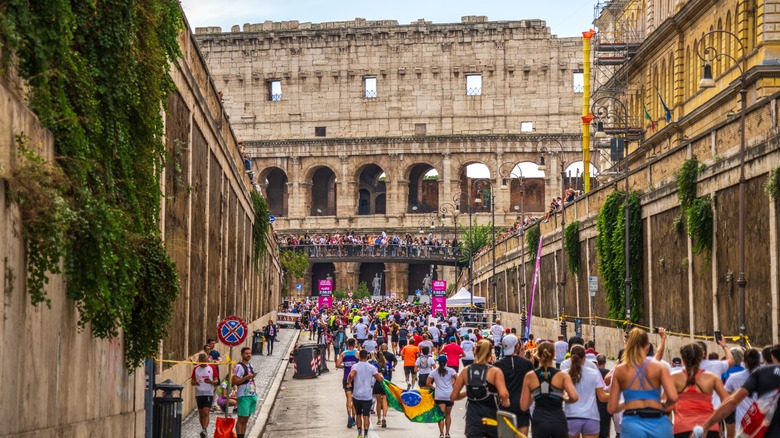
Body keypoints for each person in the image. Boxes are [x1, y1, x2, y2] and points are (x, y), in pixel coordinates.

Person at [695, 344, 780, 437]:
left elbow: (732, 401)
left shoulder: (762, 373)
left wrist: (706, 426)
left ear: (772, 356)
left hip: (764, 431)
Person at [607, 328, 678, 438]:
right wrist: (662, 404)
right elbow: (673, 397)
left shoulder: (620, 370)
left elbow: (612, 408)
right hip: (658, 422)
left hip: (632, 423)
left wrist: (629, 403)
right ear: (648, 346)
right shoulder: (660, 367)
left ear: (628, 346)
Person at [451, 339, 511, 438]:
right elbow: (504, 394)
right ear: (489, 353)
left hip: (473, 419)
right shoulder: (495, 371)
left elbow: (453, 396)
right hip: (490, 417)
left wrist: (468, 392)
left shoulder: (466, 371)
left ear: (475, 351)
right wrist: (505, 401)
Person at [520, 341, 579, 438]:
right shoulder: (562, 375)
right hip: (558, 419)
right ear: (554, 354)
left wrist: (535, 393)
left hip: (540, 420)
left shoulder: (530, 376)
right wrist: (565, 398)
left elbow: (523, 406)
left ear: (538, 355)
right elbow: (574, 397)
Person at [670, 343, 729, 438]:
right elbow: (728, 403)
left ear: (683, 360)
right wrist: (715, 417)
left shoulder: (673, 378)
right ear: (701, 358)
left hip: (682, 428)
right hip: (709, 429)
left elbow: (666, 404)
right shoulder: (712, 378)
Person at [564, 345, 609, 438]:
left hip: (571, 416)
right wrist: (617, 393)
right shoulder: (594, 373)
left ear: (570, 358)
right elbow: (602, 397)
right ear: (584, 358)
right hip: (591, 417)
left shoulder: (564, 374)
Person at [495, 334, 534, 436]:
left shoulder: (497, 365)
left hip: (504, 405)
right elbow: (534, 386)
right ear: (517, 346)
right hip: (522, 406)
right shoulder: (527, 364)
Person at [347, 349, 384, 438]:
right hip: (367, 396)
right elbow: (380, 379)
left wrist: (349, 382)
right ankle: (366, 434)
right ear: (367, 357)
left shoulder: (355, 366)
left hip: (357, 395)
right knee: (366, 416)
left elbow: (351, 375)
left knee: (358, 415)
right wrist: (381, 376)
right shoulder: (372, 367)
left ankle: (359, 433)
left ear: (359, 357)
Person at [723, 348, 761, 434]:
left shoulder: (733, 378)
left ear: (744, 361)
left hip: (741, 423)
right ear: (759, 361)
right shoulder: (766, 376)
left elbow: (726, 398)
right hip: (761, 422)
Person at [427, 355, 458, 438]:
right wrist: (453, 386)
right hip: (449, 395)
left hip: (439, 396)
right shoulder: (451, 371)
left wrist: (434, 388)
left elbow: (428, 383)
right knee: (448, 415)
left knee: (441, 415)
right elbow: (458, 379)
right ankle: (447, 433)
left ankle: (441, 433)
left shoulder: (434, 372)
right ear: (446, 362)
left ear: (438, 362)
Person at [232, 347, 258, 438]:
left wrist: (255, 390)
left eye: (250, 353)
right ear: (242, 355)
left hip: (251, 395)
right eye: (246, 353)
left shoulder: (251, 366)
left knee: (246, 419)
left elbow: (252, 380)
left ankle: (242, 435)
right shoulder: (239, 367)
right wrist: (246, 378)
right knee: (241, 419)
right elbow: (234, 381)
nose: (248, 355)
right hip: (243, 395)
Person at [336, 338, 360, 428]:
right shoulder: (357, 353)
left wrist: (345, 366)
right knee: (354, 398)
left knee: (348, 398)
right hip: (355, 378)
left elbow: (337, 364)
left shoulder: (343, 353)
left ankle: (349, 415)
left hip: (346, 378)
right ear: (354, 344)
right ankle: (354, 417)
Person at [191, 353, 215, 438]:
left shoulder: (212, 368)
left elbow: (216, 381)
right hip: (199, 393)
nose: (203, 363)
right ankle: (203, 428)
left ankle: (204, 429)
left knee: (206, 412)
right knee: (201, 413)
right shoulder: (196, 369)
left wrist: (211, 382)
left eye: (204, 361)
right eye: (201, 362)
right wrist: (195, 382)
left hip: (208, 392)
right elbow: (192, 382)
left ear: (207, 360)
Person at [369, 352, 388, 429]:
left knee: (378, 402)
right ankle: (384, 417)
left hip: (377, 383)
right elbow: (390, 374)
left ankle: (379, 419)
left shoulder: (375, 365)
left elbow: (374, 375)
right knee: (384, 401)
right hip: (386, 383)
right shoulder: (388, 364)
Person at [595, 354, 613, 438]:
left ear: (597, 363)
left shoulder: (594, 372)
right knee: (605, 432)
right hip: (605, 405)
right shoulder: (608, 373)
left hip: (595, 405)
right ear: (605, 362)